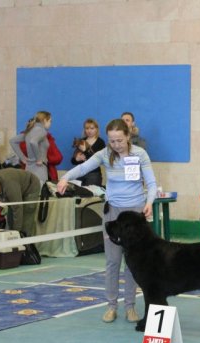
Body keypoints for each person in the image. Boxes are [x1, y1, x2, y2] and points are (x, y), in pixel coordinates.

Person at [56, 119, 157, 324]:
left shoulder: (140, 154)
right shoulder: (104, 154)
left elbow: (151, 182)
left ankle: (130, 307)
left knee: (133, 264)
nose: (116, 144)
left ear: (128, 137)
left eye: (120, 140)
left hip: (136, 213)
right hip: (113, 214)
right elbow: (83, 167)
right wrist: (65, 178)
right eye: (112, 141)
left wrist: (150, 201)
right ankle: (111, 306)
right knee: (112, 262)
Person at [0, 168, 41, 238]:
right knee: (11, 214)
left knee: (26, 216)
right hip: (18, 187)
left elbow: (17, 208)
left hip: (31, 186)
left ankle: (26, 241)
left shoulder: (9, 185)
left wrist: (16, 232)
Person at [70, 118, 106, 186]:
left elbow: (99, 160)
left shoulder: (100, 142)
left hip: (94, 174)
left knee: (92, 195)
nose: (89, 131)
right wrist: (76, 159)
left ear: (96, 129)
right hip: (80, 172)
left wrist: (85, 151)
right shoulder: (81, 141)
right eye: (87, 128)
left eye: (92, 128)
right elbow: (72, 161)